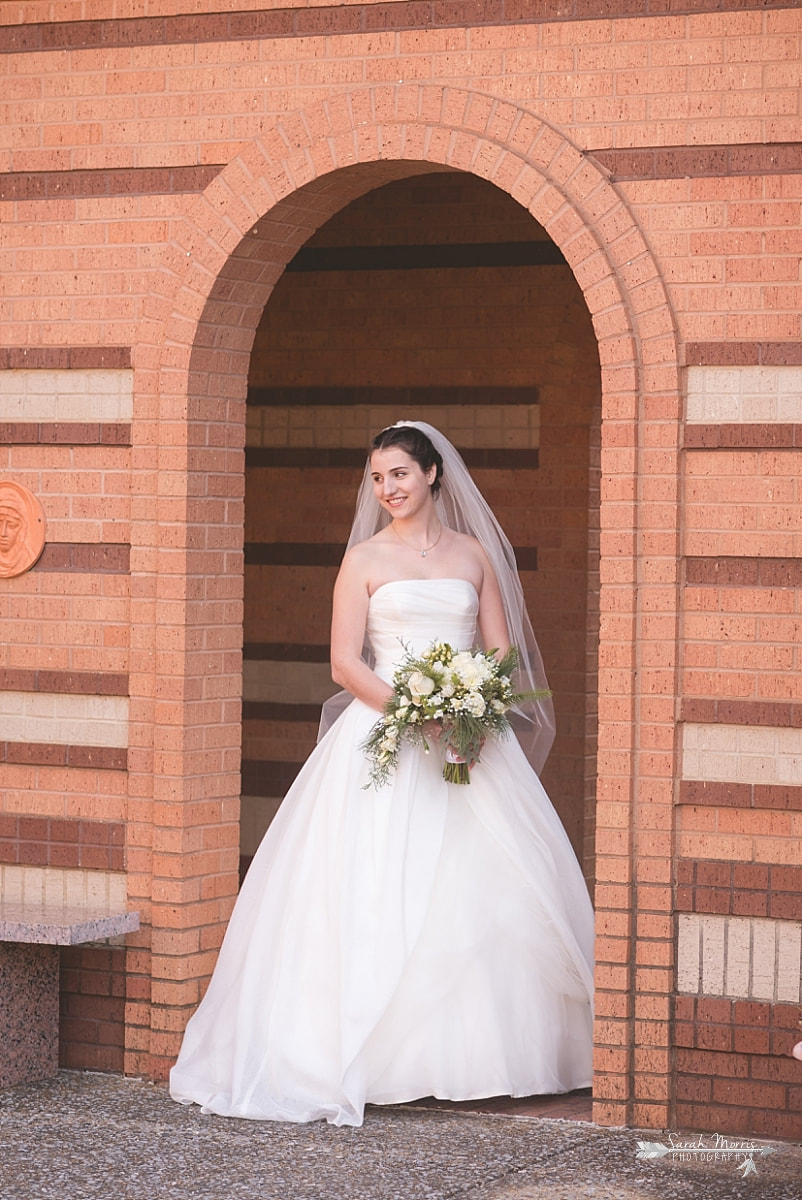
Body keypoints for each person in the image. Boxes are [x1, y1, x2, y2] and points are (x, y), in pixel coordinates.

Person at [170, 420, 594, 1127]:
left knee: (486, 887)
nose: (387, 488)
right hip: (386, 735)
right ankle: (368, 1057)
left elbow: (500, 656)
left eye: (398, 473)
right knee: (370, 884)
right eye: (376, 478)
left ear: (432, 474)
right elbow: (345, 663)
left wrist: (469, 711)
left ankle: (492, 1060)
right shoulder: (364, 560)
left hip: (468, 742)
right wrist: (414, 714)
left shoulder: (475, 554)